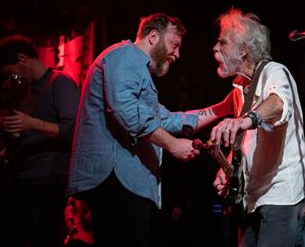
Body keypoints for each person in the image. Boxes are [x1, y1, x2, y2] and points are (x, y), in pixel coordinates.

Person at [67, 13, 231, 246]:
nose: (177, 54)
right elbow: (125, 109)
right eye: (175, 45)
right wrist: (173, 145)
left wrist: (224, 107)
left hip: (125, 182)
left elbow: (168, 119)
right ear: (153, 36)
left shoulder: (136, 70)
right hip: (117, 180)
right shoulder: (125, 54)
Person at [210, 7, 305, 246]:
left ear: (243, 50)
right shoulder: (239, 89)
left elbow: (277, 103)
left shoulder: (274, 72)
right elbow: (247, 142)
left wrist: (245, 120)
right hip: (252, 198)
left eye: (223, 42)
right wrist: (227, 168)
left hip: (280, 195)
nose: (215, 48)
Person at [0, 35, 80, 246]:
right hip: (20, 180)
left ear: (22, 58)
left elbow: (74, 130)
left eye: (10, 72)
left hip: (48, 183)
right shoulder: (23, 91)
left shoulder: (61, 83)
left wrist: (31, 123)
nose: (11, 78)